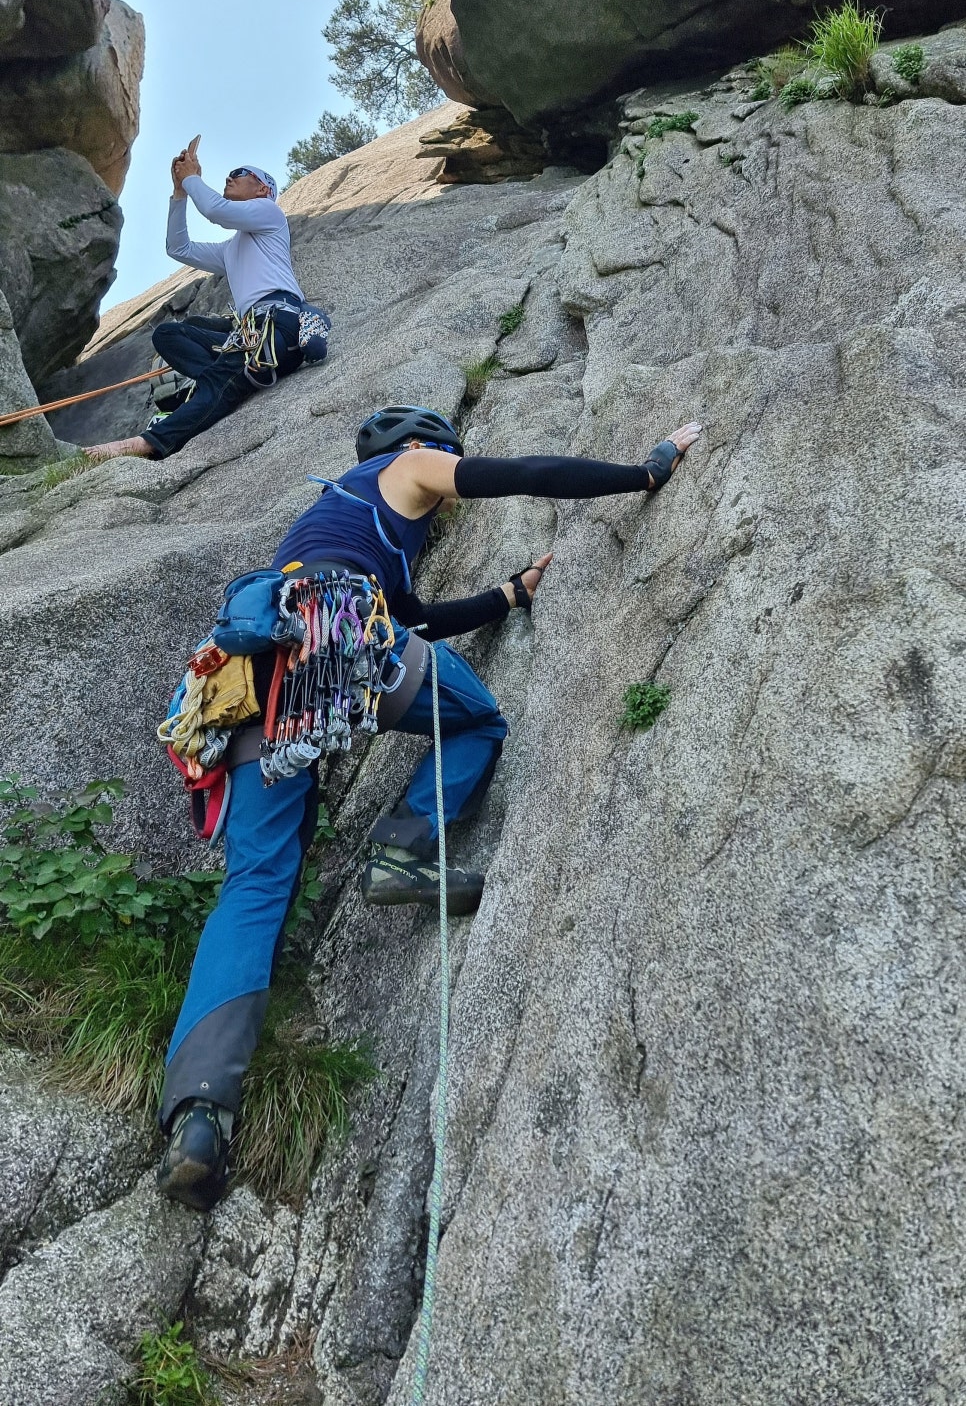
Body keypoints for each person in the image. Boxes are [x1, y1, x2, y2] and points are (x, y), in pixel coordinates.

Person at [156, 404, 703, 1210]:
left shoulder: (337, 522)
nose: (445, 486)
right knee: (478, 719)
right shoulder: (406, 469)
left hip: (246, 675)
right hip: (337, 635)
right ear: (421, 451)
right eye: (446, 463)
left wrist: (506, 596)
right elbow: (519, 476)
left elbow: (413, 622)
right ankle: (403, 850)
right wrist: (646, 469)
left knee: (257, 884)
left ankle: (199, 1117)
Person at [86, 137, 321, 461]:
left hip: (277, 323)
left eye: (240, 173)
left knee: (220, 377)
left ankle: (148, 442)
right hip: (247, 331)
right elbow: (178, 248)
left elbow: (215, 211)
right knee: (171, 333)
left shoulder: (270, 215)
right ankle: (228, 381)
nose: (230, 177)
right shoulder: (231, 250)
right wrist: (180, 192)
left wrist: (192, 177)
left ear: (263, 190)